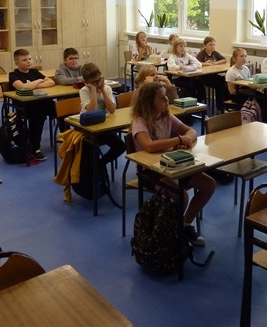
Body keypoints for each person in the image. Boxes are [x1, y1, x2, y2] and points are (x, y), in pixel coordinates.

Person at [130, 82, 215, 246]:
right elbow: (149, 146)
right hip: (150, 171)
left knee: (209, 184)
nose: (167, 100)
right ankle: (170, 233)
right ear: (149, 103)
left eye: (166, 96)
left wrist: (186, 139)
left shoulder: (166, 116)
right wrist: (178, 140)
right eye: (162, 98)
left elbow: (191, 131)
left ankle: (183, 226)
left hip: (173, 164)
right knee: (181, 196)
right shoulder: (140, 122)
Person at [9, 49, 55, 162]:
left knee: (63, 110)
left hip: (41, 101)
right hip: (24, 105)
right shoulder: (13, 75)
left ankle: (66, 139)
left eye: (29, 59)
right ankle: (35, 148)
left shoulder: (34, 71)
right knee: (38, 117)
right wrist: (39, 80)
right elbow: (23, 88)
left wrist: (33, 86)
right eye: (24, 60)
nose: (29, 61)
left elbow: (51, 82)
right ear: (17, 63)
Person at [78, 63, 125, 168]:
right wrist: (93, 90)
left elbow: (112, 109)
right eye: (94, 82)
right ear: (87, 82)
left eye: (100, 79)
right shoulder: (84, 91)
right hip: (88, 128)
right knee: (91, 150)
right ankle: (96, 168)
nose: (99, 83)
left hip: (103, 126)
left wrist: (103, 91)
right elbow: (92, 110)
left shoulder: (107, 88)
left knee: (121, 146)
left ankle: (100, 165)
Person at [225, 48, 267, 122]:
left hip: (248, 91)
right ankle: (262, 120)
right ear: (235, 59)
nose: (244, 58)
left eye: (245, 56)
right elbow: (232, 91)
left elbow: (248, 81)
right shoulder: (231, 72)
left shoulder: (246, 69)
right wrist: (248, 90)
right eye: (241, 56)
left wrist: (253, 86)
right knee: (260, 100)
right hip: (237, 95)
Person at [194, 36, 228, 111]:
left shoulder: (214, 53)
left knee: (224, 82)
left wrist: (216, 62)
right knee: (219, 86)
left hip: (213, 74)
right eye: (210, 45)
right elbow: (197, 63)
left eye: (214, 44)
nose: (212, 46)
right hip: (203, 76)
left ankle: (225, 104)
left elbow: (224, 59)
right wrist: (206, 63)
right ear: (205, 45)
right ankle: (220, 108)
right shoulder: (201, 54)